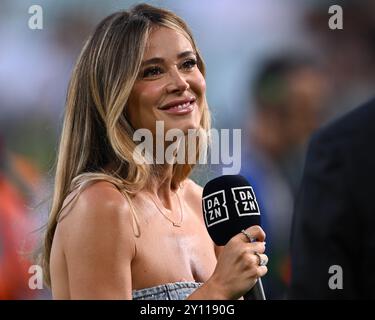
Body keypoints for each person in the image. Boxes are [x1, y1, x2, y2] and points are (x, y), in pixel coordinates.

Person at [40, 4, 268, 300]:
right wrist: (217, 291)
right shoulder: (102, 206)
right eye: (153, 71)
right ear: (114, 95)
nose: (181, 82)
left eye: (188, 64)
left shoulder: (202, 204)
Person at [289, 97, 375, 299]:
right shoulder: (341, 150)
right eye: (301, 111)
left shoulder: (339, 148)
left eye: (317, 110)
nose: (309, 120)